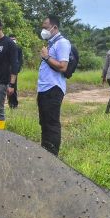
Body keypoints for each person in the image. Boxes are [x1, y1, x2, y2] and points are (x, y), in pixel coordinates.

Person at [37, 15, 71, 155]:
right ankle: (45, 152)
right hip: (45, 88)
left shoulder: (62, 43)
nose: (43, 30)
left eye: (45, 27)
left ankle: (52, 154)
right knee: (44, 122)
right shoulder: (51, 43)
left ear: (54, 27)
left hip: (54, 88)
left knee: (51, 123)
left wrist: (46, 56)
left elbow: (63, 67)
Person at [7, 34, 24, 109]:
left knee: (13, 87)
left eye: (14, 39)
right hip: (5, 70)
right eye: (11, 39)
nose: (13, 40)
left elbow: (20, 60)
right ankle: (8, 102)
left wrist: (17, 70)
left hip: (14, 71)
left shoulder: (19, 49)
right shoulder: (6, 48)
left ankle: (14, 104)